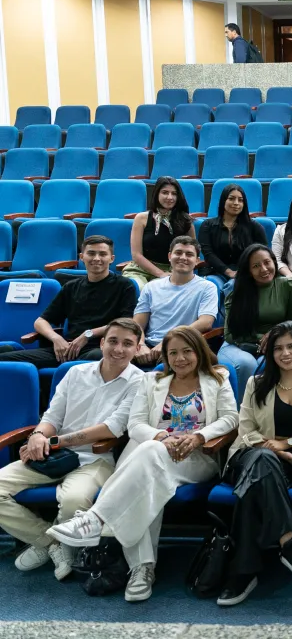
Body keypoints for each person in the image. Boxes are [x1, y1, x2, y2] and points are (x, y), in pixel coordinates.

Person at [46, 326, 238, 602]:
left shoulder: (217, 379)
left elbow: (231, 418)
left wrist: (199, 436)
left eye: (187, 351)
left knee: (147, 460)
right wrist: (161, 437)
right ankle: (141, 568)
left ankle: (98, 521)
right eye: (173, 353)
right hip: (153, 454)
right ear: (165, 357)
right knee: (150, 474)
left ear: (199, 352)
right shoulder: (151, 381)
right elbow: (135, 424)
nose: (180, 358)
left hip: (196, 457)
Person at [0, 318, 143, 582]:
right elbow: (52, 416)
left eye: (127, 344)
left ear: (137, 348)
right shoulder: (75, 373)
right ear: (102, 343)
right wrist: (38, 435)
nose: (118, 349)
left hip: (96, 459)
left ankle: (52, 544)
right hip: (53, 456)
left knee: (74, 501)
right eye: (113, 341)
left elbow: (112, 428)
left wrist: (53, 441)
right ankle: (50, 543)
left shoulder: (139, 382)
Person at [216, 322, 292, 607]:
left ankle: (242, 572)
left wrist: (287, 444)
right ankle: (287, 540)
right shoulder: (256, 383)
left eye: (291, 346)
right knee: (263, 459)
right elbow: (246, 430)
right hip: (249, 454)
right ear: (269, 353)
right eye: (278, 348)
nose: (285, 353)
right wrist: (273, 449)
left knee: (257, 479)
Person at [0, 235, 137, 369]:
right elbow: (40, 322)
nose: (96, 258)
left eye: (102, 254)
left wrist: (88, 334)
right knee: (5, 359)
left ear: (111, 258)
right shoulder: (71, 287)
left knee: (102, 358)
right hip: (68, 349)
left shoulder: (125, 285)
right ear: (81, 257)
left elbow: (126, 323)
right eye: (91, 253)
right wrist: (56, 339)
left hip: (100, 349)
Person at [218, 244, 292, 387]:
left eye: (267, 262)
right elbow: (229, 335)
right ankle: (245, 402)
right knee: (246, 364)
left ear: (274, 262)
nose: (264, 269)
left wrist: (275, 335)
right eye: (256, 266)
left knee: (270, 362)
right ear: (248, 270)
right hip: (237, 344)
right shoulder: (236, 289)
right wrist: (262, 339)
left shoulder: (288, 285)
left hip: (276, 343)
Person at [132, 236, 219, 367]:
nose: (183, 257)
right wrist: (140, 345)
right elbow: (138, 323)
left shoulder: (207, 287)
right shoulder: (151, 287)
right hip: (149, 346)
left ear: (197, 260)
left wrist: (168, 342)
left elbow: (206, 322)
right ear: (169, 256)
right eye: (178, 253)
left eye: (189, 254)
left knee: (165, 367)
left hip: (183, 345)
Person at [122, 177, 195, 289]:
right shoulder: (141, 218)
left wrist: (172, 273)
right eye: (165, 192)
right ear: (157, 194)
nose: (170, 197)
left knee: (159, 290)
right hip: (140, 270)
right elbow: (136, 255)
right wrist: (160, 274)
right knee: (140, 289)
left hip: (172, 271)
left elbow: (192, 252)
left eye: (174, 194)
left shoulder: (186, 221)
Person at [198, 183, 268, 295]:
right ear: (223, 201)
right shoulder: (208, 225)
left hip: (245, 272)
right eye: (231, 199)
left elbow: (262, 253)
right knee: (211, 286)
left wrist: (246, 271)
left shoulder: (254, 227)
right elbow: (208, 254)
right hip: (216, 271)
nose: (236, 203)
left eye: (240, 200)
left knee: (232, 286)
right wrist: (228, 272)